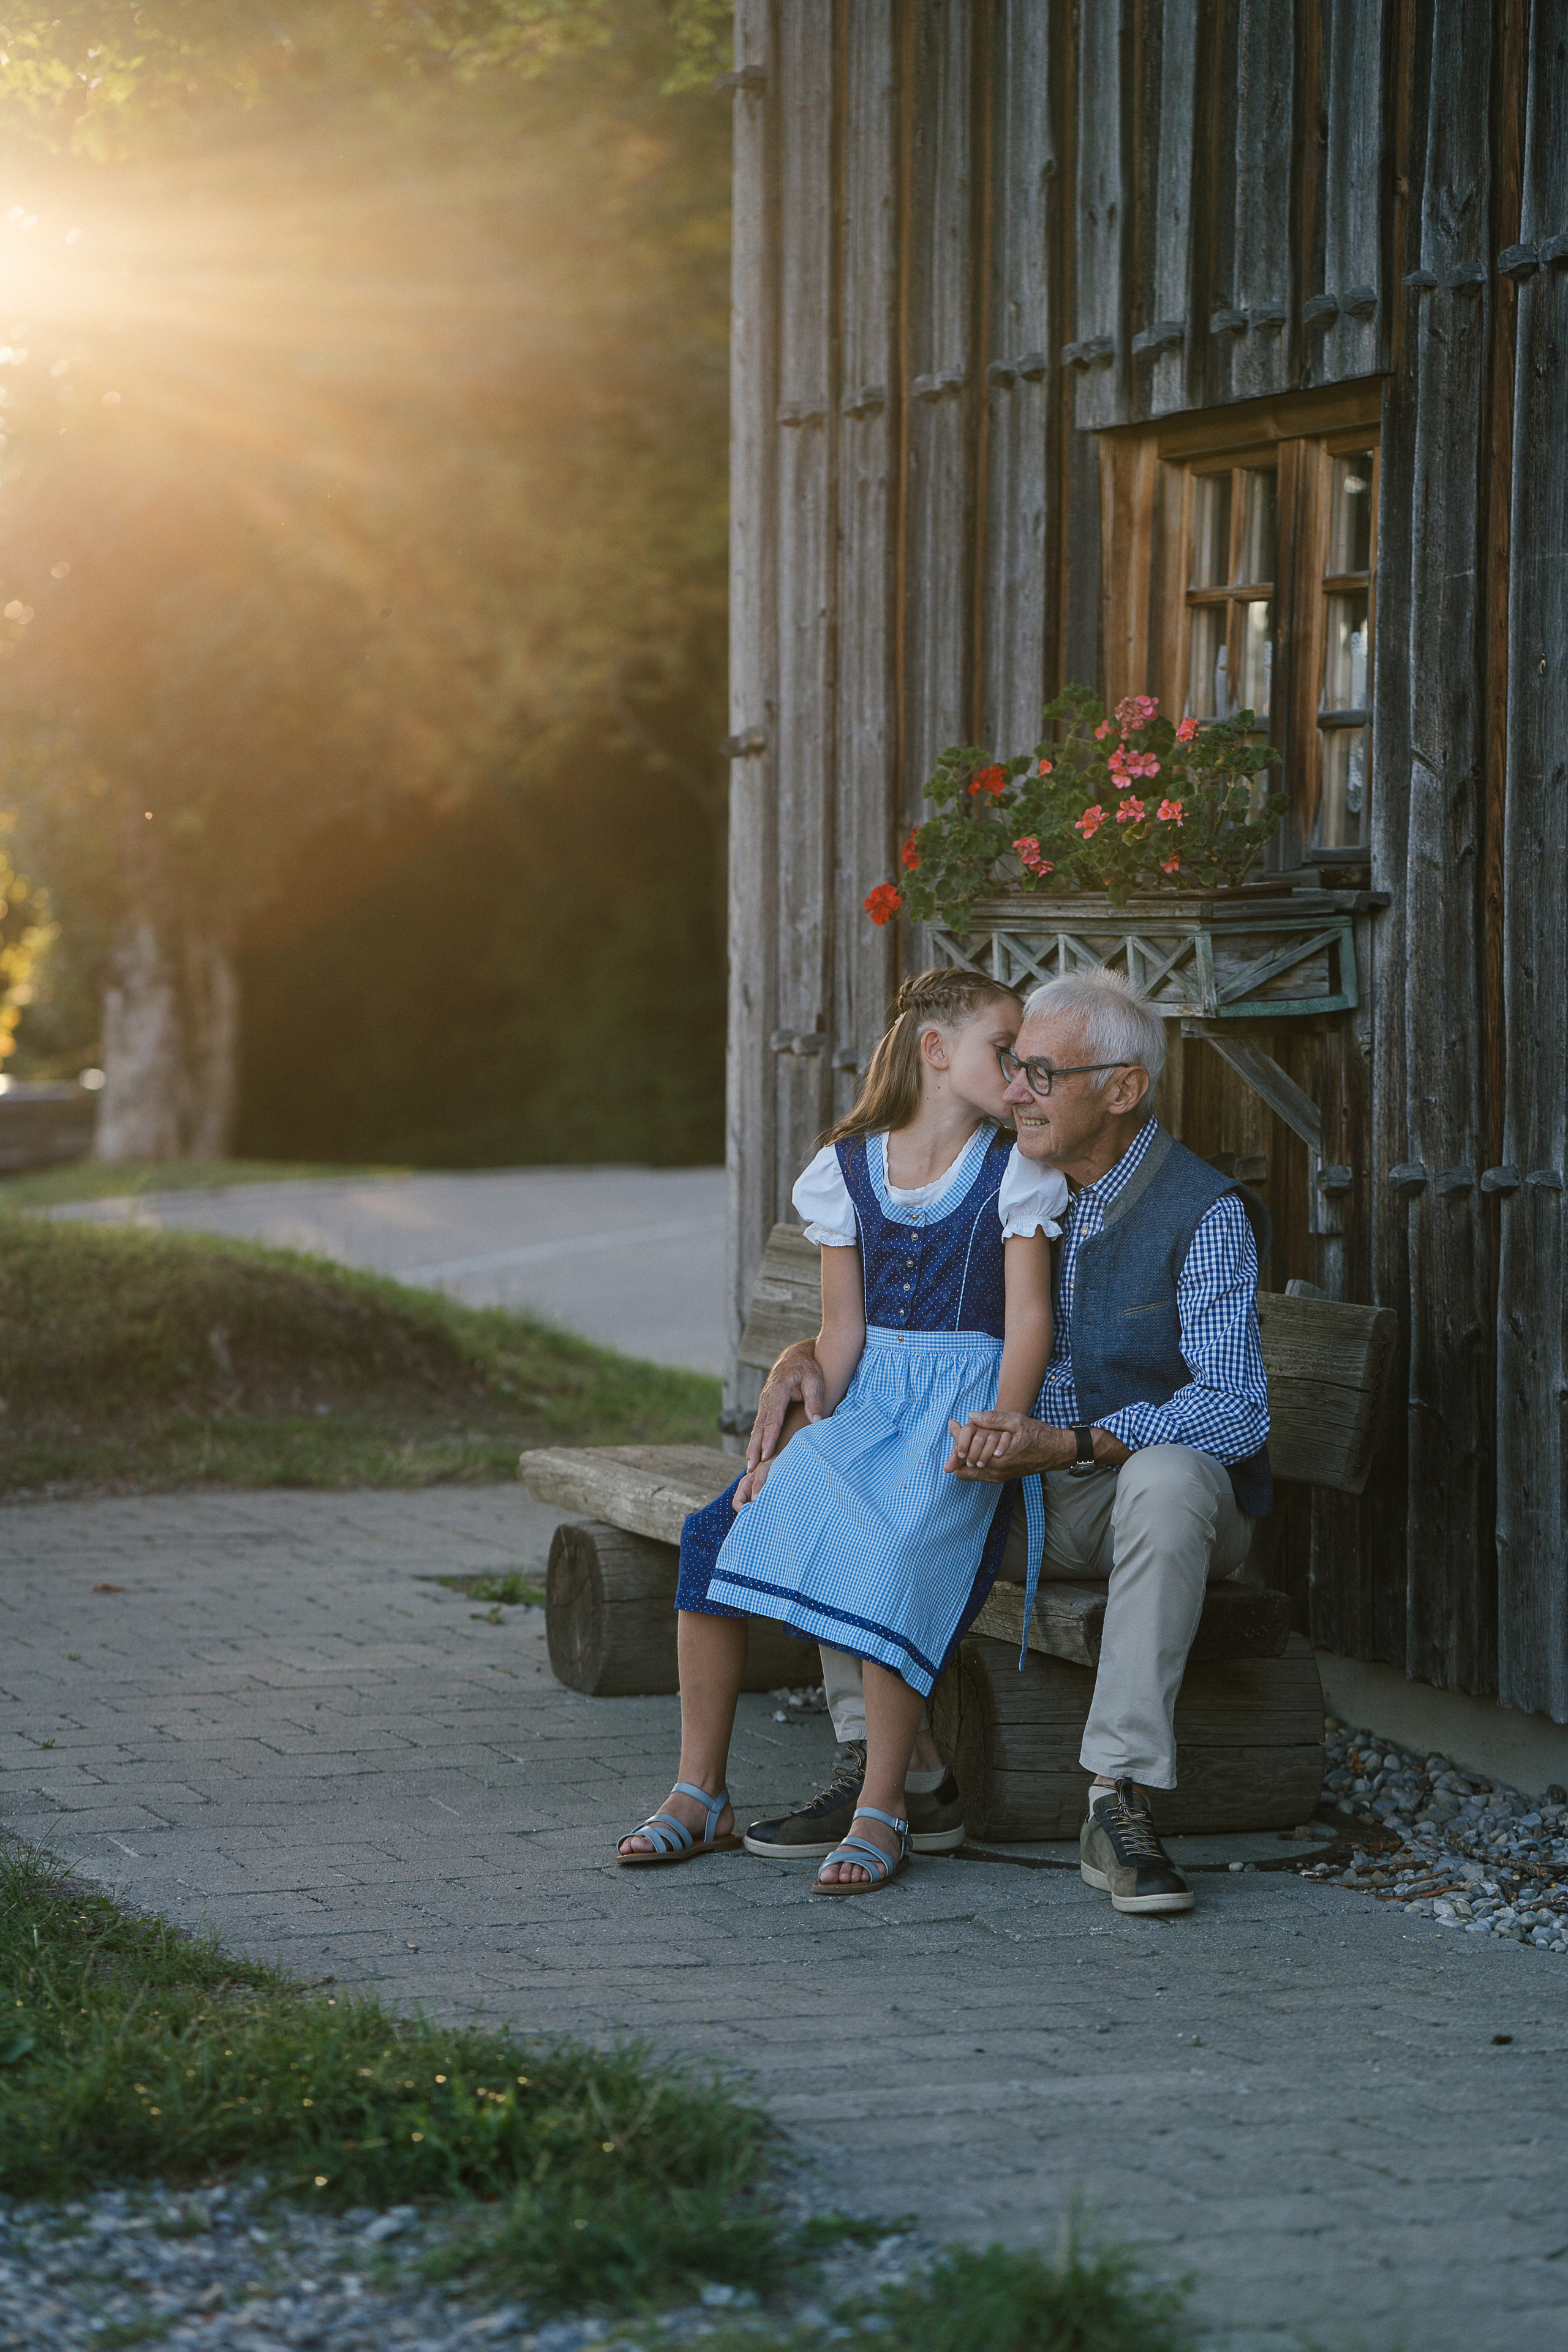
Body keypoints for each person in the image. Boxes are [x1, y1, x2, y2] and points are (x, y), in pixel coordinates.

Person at [747, 965, 1270, 1917]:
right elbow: (883, 1321)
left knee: (1171, 1476)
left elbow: (1237, 1409)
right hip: (1006, 1497)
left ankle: (1118, 1801)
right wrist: (799, 1354)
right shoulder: (999, 1177)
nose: (1017, 1089)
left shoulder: (1202, 1213)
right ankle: (898, 1772)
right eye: (1014, 1064)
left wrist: (1075, 1443)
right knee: (837, 1467)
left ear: (1121, 1090)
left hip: (1128, 1508)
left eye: (1042, 1074)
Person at [616, 967, 1065, 1891]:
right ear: (937, 1053)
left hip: (962, 1412)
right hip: (871, 1407)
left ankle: (884, 1805)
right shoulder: (847, 1167)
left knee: (895, 1551)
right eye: (1003, 1050)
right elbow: (844, 1331)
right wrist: (803, 1393)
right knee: (719, 1527)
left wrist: (1004, 1420)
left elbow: (1028, 1322)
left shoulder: (1015, 1170)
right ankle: (700, 1792)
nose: (1019, 1071)